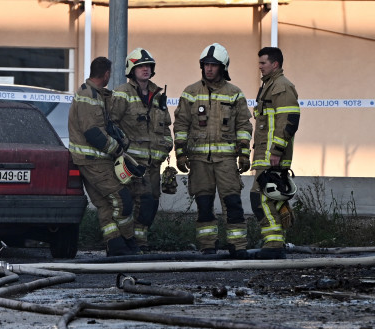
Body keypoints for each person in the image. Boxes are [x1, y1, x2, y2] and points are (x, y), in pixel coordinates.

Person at [173, 43, 253, 256]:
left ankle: (238, 246)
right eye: (206, 65)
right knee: (204, 204)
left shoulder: (235, 94)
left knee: (232, 203)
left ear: (223, 67)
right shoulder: (190, 93)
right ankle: (208, 245)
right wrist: (180, 153)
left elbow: (244, 125)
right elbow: (181, 124)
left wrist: (244, 153)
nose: (209, 69)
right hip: (199, 160)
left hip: (226, 160)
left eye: (213, 65)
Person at [68, 56, 138, 257]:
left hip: (92, 161)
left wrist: (121, 138)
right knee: (122, 198)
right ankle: (128, 240)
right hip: (94, 162)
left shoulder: (94, 94)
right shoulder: (88, 96)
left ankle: (115, 245)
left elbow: (104, 126)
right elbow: (93, 133)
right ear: (106, 74)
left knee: (105, 204)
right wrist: (117, 149)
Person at [110, 48, 174, 251]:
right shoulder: (122, 93)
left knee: (150, 205)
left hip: (153, 165)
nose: (145, 70)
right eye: (141, 66)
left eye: (148, 66)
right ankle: (128, 242)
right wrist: (121, 151)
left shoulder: (157, 95)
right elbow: (112, 124)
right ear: (132, 69)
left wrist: (166, 147)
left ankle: (140, 241)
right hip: (130, 164)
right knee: (131, 204)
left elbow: (165, 127)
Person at [248, 46, 301, 260]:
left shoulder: (281, 87)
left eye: (263, 63)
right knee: (271, 196)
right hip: (266, 154)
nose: (259, 67)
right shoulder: (270, 86)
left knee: (259, 198)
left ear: (275, 64)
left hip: (272, 155)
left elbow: (289, 120)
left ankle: (274, 243)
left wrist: (277, 150)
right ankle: (282, 213)